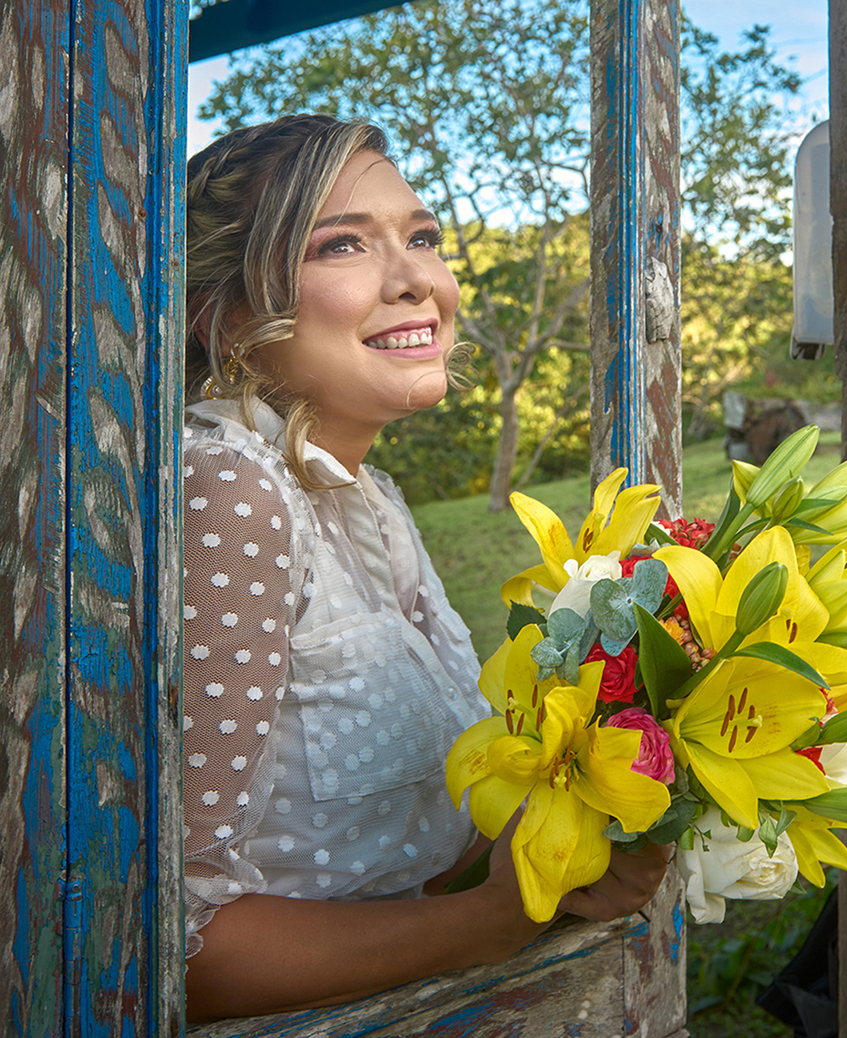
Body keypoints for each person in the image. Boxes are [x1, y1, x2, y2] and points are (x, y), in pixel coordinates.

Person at [181, 114, 671, 1022]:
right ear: (228, 316)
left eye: (421, 237)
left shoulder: (372, 500)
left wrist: (571, 858)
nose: (418, 281)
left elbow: (408, 850)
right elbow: (170, 942)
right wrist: (491, 922)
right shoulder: (229, 488)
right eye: (342, 246)